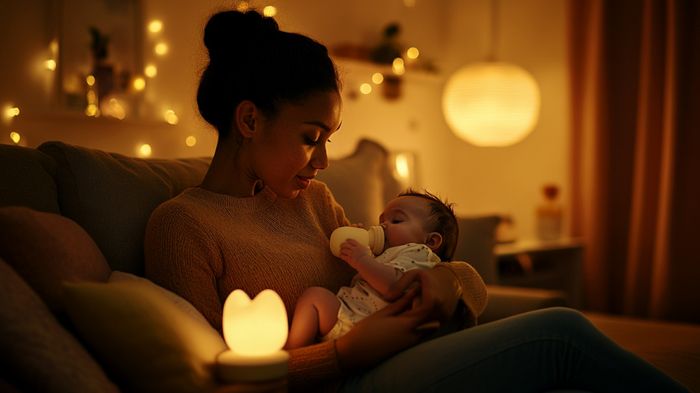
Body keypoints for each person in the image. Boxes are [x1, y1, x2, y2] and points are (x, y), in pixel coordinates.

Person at [144, 9, 690, 393]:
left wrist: (450, 281)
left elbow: (421, 265)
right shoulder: (184, 226)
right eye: (311, 138)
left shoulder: (314, 203)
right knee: (561, 335)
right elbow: (209, 378)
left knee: (563, 330)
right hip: (345, 379)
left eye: (328, 141)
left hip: (392, 355)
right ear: (248, 119)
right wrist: (345, 354)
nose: (322, 162)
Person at [286, 190, 459, 349]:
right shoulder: (384, 254)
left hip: (367, 325)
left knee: (314, 297)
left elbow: (395, 286)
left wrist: (362, 259)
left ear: (431, 241)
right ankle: (304, 353)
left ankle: (293, 356)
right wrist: (356, 249)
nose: (383, 226)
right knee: (316, 298)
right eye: (381, 220)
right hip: (353, 316)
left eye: (396, 220)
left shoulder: (418, 252)